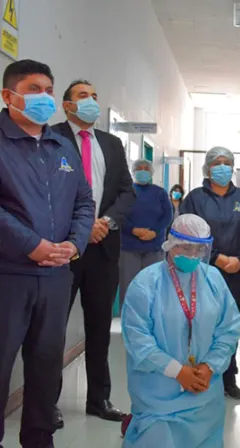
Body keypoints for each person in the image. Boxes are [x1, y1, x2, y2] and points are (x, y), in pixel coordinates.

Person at [0, 60, 95, 448]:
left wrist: (74, 243)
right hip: (9, 276)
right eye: (34, 88)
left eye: (49, 89)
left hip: (56, 279)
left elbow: (85, 203)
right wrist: (31, 245)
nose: (45, 97)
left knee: (44, 366)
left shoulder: (62, 146)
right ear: (9, 96)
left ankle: (39, 438)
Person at [51, 79, 135, 426]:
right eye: (83, 96)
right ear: (67, 105)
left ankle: (99, 399)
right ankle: (46, 401)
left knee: (100, 327)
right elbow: (47, 192)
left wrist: (107, 221)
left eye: (95, 97)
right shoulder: (51, 137)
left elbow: (127, 192)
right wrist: (81, 228)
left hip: (103, 250)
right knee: (51, 329)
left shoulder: (112, 143)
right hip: (62, 249)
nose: (91, 102)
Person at [121, 214, 240, 448]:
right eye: (186, 248)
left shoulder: (213, 279)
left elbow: (229, 329)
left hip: (204, 394)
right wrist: (177, 371)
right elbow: (138, 339)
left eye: (199, 249)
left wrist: (209, 367)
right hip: (158, 396)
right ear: (170, 245)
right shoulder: (146, 284)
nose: (193, 255)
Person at [180, 146, 240, 400]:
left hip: (238, 273)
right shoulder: (194, 198)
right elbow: (187, 231)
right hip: (202, 271)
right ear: (207, 167)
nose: (222, 166)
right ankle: (197, 373)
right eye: (217, 162)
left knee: (230, 324)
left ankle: (228, 376)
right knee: (200, 321)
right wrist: (215, 257)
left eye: (227, 162)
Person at [119, 160, 173, 308]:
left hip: (154, 248)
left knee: (153, 287)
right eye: (139, 168)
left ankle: (152, 325)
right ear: (133, 171)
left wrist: (154, 232)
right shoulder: (125, 192)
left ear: (151, 172)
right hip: (129, 248)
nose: (142, 171)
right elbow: (119, 215)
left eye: (146, 169)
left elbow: (168, 215)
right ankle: (129, 325)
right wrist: (132, 230)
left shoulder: (160, 193)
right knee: (129, 287)